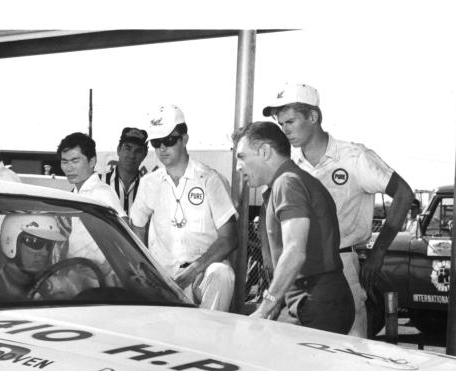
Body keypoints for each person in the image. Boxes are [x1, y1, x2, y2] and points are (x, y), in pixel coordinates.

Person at [262, 83, 415, 337]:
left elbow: (404, 194)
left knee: (348, 350)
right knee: (289, 347)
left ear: (313, 117)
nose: (285, 130)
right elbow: (270, 211)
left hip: (342, 264)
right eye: (281, 124)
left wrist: (379, 252)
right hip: (297, 269)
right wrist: (271, 263)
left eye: (290, 121)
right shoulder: (289, 164)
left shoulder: (353, 157)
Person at [234, 122, 353, 333]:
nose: (238, 167)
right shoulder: (288, 182)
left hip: (314, 301)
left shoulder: (287, 183)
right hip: (310, 299)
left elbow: (294, 251)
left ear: (264, 151)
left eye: (242, 157)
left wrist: (266, 306)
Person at [129, 105, 237, 311]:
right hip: (163, 278)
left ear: (184, 139)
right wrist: (145, 268)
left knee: (222, 274)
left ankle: (209, 333)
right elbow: (137, 226)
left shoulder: (210, 180)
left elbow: (229, 238)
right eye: (156, 142)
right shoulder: (149, 183)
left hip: (200, 275)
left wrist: (192, 271)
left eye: (169, 140)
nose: (162, 148)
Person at [0, 214, 72, 303]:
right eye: (35, 242)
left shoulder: (59, 289)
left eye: (49, 245)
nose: (44, 252)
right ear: (11, 241)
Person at [56, 131, 125, 262]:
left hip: (97, 276)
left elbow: (124, 236)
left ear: (92, 161)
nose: (68, 168)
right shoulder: (75, 193)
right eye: (64, 162)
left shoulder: (101, 193)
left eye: (75, 161)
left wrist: (107, 272)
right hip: (76, 272)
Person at [104, 126, 148, 212]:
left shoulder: (150, 187)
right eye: (128, 149)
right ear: (118, 150)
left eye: (138, 151)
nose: (132, 155)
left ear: (144, 155)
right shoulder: (99, 181)